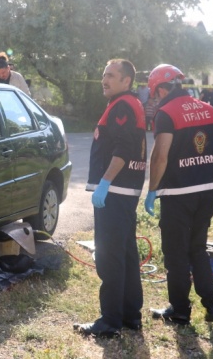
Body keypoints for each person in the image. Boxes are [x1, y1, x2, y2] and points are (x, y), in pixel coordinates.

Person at [144, 64, 213, 325]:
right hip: (208, 191)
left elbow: (160, 156)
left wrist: (152, 190)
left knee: (176, 253)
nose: (154, 100)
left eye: (155, 94)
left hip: (178, 193)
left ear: (163, 89)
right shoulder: (209, 109)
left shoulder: (167, 113)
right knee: (198, 249)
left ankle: (179, 310)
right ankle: (212, 307)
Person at [73, 59, 146, 338]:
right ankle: (130, 316)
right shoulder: (127, 103)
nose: (105, 79)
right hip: (122, 192)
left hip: (115, 192)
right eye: (103, 74)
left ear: (126, 81)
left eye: (111, 76)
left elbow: (123, 149)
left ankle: (110, 320)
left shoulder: (123, 105)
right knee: (126, 255)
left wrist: (104, 182)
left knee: (110, 257)